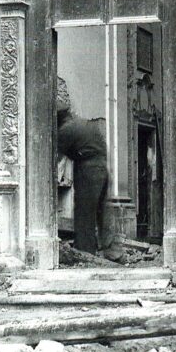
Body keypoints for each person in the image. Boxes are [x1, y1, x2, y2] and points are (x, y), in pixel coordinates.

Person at [55, 78, 111, 255]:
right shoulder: (84, 122)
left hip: (88, 170)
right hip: (101, 167)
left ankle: (85, 251)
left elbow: (55, 157)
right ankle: (109, 251)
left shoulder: (66, 129)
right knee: (100, 210)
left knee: (84, 210)